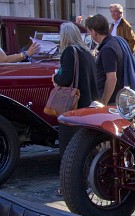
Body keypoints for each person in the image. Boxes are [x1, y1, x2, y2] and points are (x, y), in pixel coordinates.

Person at [52, 22, 98, 157]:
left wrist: (55, 77)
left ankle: (68, 173)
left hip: (72, 104)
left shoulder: (69, 51)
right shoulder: (87, 53)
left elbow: (65, 78)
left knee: (69, 143)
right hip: (87, 102)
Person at [85, 14, 125, 105]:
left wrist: (103, 103)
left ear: (94, 32)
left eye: (90, 33)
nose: (90, 36)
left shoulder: (108, 49)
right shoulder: (112, 42)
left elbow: (111, 79)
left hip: (109, 102)